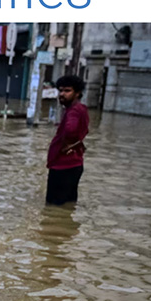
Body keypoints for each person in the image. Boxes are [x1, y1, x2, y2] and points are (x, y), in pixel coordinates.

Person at [46, 75, 89, 206]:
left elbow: (71, 130)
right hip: (73, 165)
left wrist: (65, 145)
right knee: (67, 206)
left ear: (78, 93)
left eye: (67, 91)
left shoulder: (74, 111)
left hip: (63, 166)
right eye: (61, 90)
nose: (62, 94)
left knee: (53, 207)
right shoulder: (80, 109)